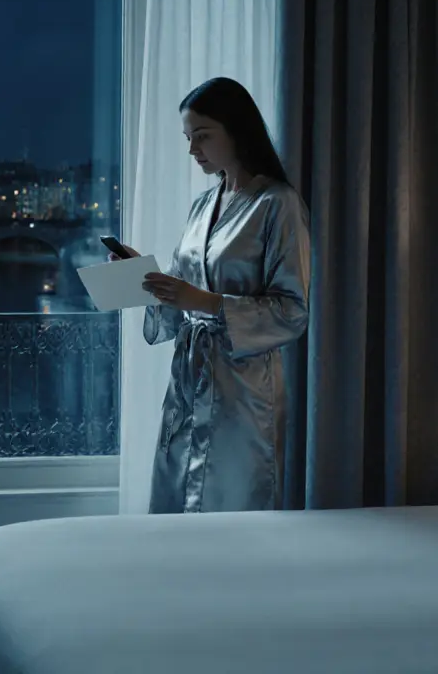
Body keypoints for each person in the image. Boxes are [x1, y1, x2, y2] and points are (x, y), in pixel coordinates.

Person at [109, 77, 311, 514]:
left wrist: (200, 301)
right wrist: (143, 276)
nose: (192, 149)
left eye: (202, 136)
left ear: (236, 129)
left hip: (245, 390)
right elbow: (184, 290)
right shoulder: (203, 205)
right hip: (189, 378)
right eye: (188, 137)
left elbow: (292, 312)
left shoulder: (278, 204)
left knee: (232, 499)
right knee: (174, 490)